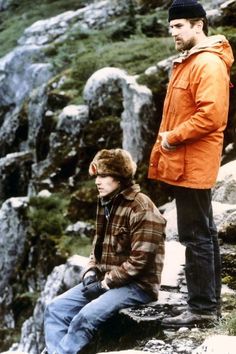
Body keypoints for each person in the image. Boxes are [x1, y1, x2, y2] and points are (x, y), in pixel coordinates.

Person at [148, 0, 234, 328]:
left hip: (192, 161)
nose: (173, 33)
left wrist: (172, 138)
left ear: (199, 25)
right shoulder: (190, 61)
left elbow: (211, 116)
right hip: (188, 161)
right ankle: (207, 304)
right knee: (204, 232)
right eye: (171, 27)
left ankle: (201, 309)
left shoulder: (207, 63)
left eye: (179, 26)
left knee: (194, 234)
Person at [43, 148, 166, 354]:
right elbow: (96, 247)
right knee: (55, 309)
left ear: (120, 178)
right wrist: (91, 272)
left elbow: (140, 261)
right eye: (96, 176)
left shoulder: (141, 208)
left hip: (138, 286)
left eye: (104, 175)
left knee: (85, 317)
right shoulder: (106, 202)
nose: (97, 181)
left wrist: (105, 283)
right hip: (105, 280)